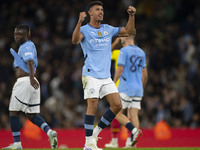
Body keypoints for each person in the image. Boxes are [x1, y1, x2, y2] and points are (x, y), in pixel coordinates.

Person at [72, 1, 138, 150]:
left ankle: (95, 132)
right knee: (93, 103)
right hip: (90, 74)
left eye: (102, 9)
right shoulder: (84, 29)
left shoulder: (108, 29)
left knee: (117, 105)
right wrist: (79, 21)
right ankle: (88, 144)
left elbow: (128, 31)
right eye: (97, 9)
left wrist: (131, 16)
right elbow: (75, 40)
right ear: (90, 13)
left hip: (106, 76)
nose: (101, 11)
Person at [2, 25, 58, 149]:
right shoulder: (27, 46)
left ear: (28, 34)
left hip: (25, 81)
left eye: (20, 34)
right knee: (32, 115)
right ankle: (50, 132)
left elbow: (30, 62)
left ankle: (17, 144)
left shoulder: (26, 46)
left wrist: (32, 77)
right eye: (16, 34)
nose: (17, 36)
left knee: (13, 112)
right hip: (31, 83)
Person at [108, 32, 148, 148]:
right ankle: (132, 143)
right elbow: (145, 75)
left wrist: (113, 83)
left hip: (126, 87)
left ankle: (134, 131)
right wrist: (142, 88)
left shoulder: (123, 51)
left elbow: (120, 68)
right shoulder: (141, 52)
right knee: (134, 114)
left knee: (116, 113)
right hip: (138, 88)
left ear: (125, 38)